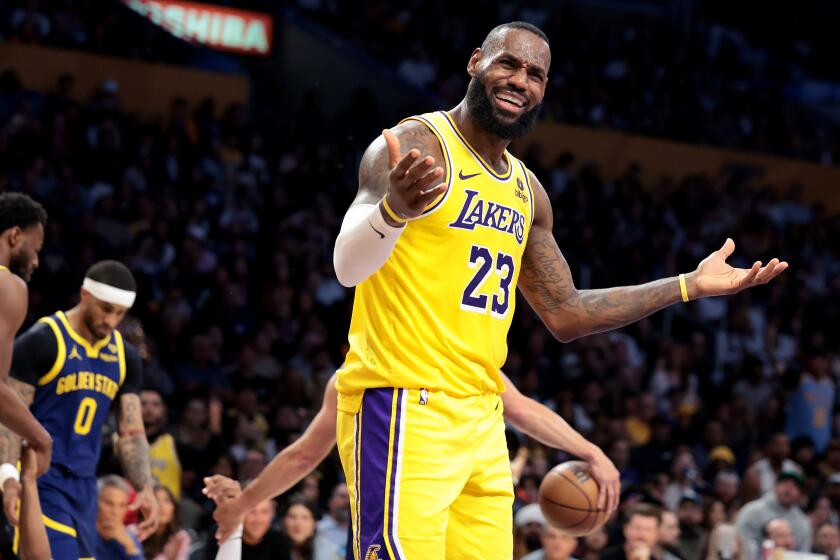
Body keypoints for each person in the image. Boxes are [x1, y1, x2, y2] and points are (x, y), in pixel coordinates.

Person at [330, 19, 787, 559]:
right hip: (405, 401)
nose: (520, 80)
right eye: (508, 64)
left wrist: (687, 285)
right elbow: (346, 267)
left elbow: (567, 313)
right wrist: (392, 213)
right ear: (476, 61)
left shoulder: (527, 192)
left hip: (482, 419)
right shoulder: (416, 144)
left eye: (535, 74)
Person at [205, 371, 617, 541]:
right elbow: (303, 455)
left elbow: (523, 409)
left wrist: (589, 449)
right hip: (405, 518)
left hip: (466, 520)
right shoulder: (358, 374)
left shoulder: (463, 351)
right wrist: (243, 504)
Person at [0, 260, 160, 559]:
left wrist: (145, 487)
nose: (111, 320)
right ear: (84, 295)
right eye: (105, 308)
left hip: (85, 487)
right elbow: (6, 417)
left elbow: (131, 432)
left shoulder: (125, 357)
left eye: (120, 313)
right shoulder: (43, 340)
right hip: (41, 478)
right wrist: (8, 478)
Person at [0, 193, 53, 476]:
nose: (36, 260)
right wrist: (41, 438)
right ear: (15, 235)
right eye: (36, 248)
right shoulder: (9, 286)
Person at [734, 471, 811, 560]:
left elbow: (804, 554)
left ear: (800, 494)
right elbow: (741, 545)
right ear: (775, 486)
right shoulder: (751, 512)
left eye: (794, 486)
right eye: (785, 483)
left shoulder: (803, 522)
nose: (788, 489)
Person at [95, 475, 144, 560]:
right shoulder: (83, 534)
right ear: (95, 501)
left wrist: (130, 547)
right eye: (109, 503)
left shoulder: (130, 539)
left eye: (122, 505)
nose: (115, 512)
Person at [143, 485, 191, 560]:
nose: (161, 506)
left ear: (174, 507)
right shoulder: (135, 533)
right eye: (156, 500)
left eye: (166, 501)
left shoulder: (181, 538)